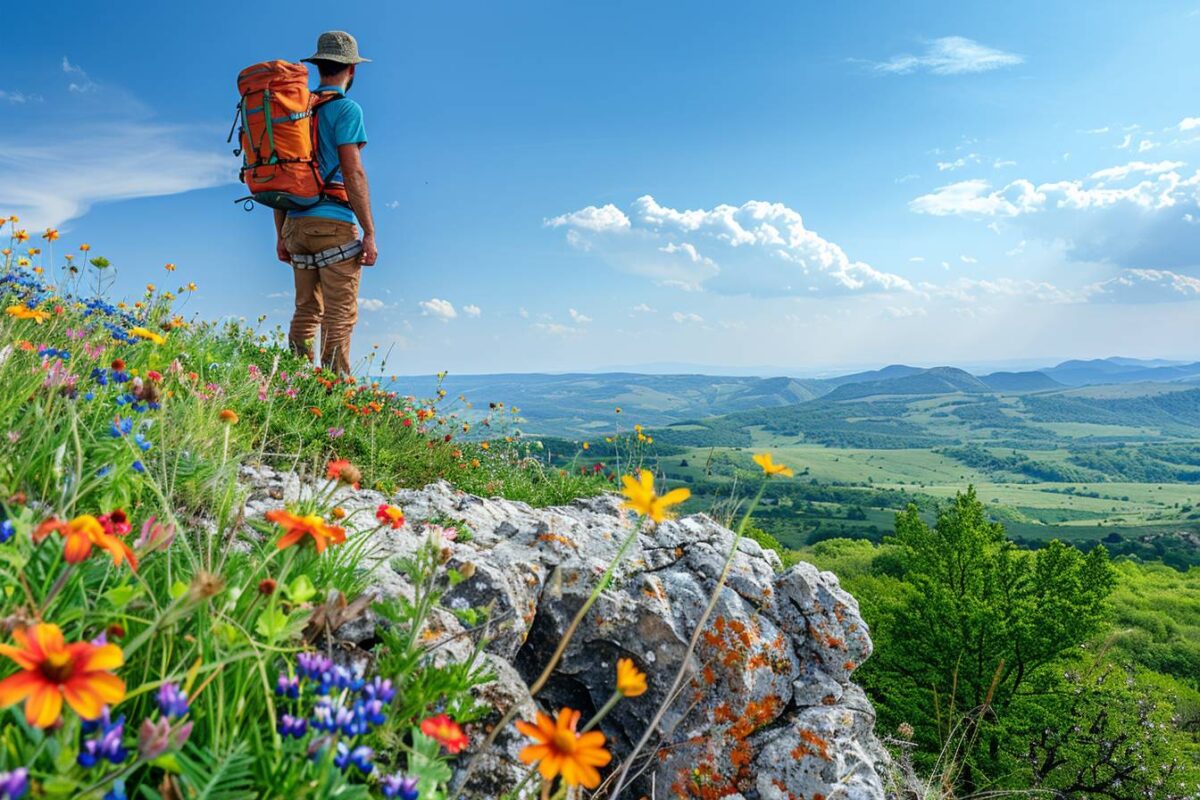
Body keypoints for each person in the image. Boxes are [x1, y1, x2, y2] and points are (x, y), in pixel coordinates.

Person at [274, 30, 378, 376]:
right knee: (339, 314)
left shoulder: (294, 112)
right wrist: (369, 231)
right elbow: (353, 172)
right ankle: (335, 398)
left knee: (305, 310)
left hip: (294, 224)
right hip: (333, 223)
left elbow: (282, 176)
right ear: (353, 70)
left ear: (318, 67)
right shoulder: (347, 109)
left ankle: (295, 387)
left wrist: (280, 234)